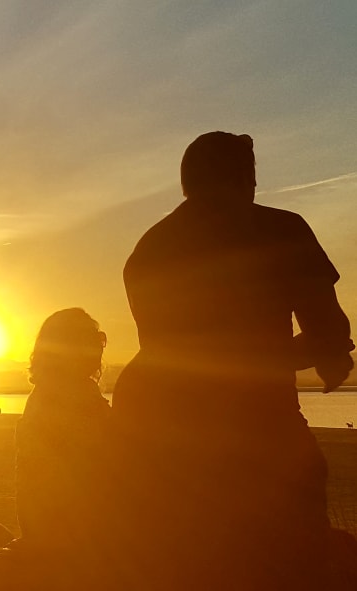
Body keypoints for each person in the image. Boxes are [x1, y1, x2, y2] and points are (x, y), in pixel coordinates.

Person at [113, 131, 354, 590]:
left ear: (187, 183)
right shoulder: (281, 228)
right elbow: (329, 330)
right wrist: (329, 355)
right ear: (244, 178)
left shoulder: (147, 251)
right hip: (265, 444)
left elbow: (173, 358)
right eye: (254, 177)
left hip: (169, 453)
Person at [0, 309, 113, 591]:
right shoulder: (68, 396)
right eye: (91, 338)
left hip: (52, 528)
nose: (98, 346)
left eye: (99, 338)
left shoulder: (58, 391)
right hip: (66, 536)